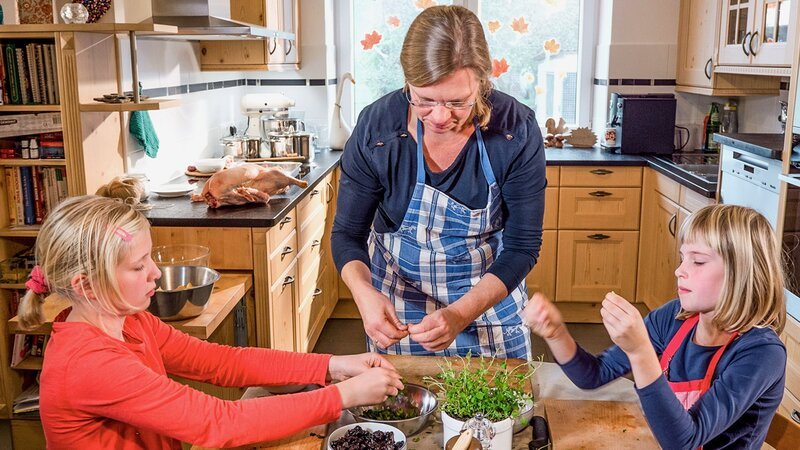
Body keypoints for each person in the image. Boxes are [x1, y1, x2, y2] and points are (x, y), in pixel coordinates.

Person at [17, 195, 404, 449]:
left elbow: (222, 362)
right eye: (138, 266)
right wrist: (342, 396)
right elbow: (218, 422)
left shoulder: (131, 321)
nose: (155, 272)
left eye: (150, 257)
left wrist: (333, 365)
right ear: (85, 284)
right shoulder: (88, 362)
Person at [331, 5, 545, 358]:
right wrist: (364, 293)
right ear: (407, 82)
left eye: (458, 102)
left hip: (489, 309)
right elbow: (347, 235)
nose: (441, 116)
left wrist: (460, 314)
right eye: (425, 101)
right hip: (400, 313)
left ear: (482, 82)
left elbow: (523, 246)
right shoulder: (377, 129)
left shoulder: (515, 129)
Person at [522, 204, 787, 449]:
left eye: (698, 261)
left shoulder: (761, 353)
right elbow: (594, 375)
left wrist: (640, 351)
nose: (679, 270)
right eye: (682, 258)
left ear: (741, 274)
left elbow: (684, 442)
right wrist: (556, 333)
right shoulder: (675, 318)